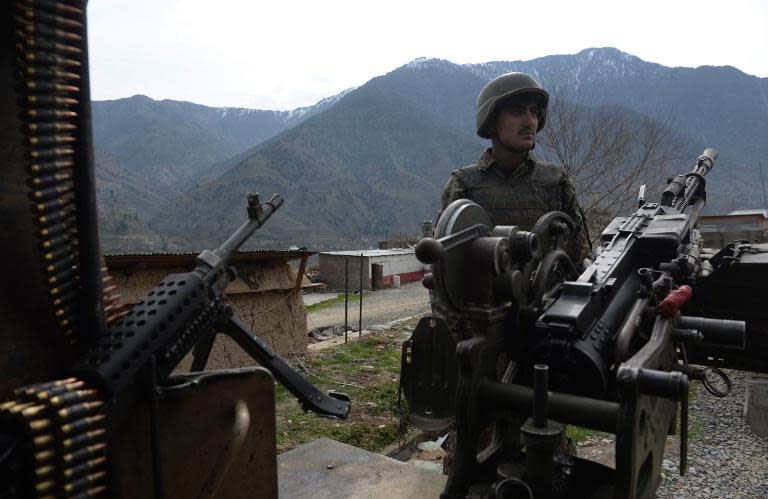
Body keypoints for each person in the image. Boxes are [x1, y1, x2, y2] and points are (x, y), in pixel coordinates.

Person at [440, 72, 589, 263]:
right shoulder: (463, 185)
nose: (530, 122)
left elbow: (579, 258)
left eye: (534, 112)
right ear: (492, 121)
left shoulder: (556, 181)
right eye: (517, 112)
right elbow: (444, 271)